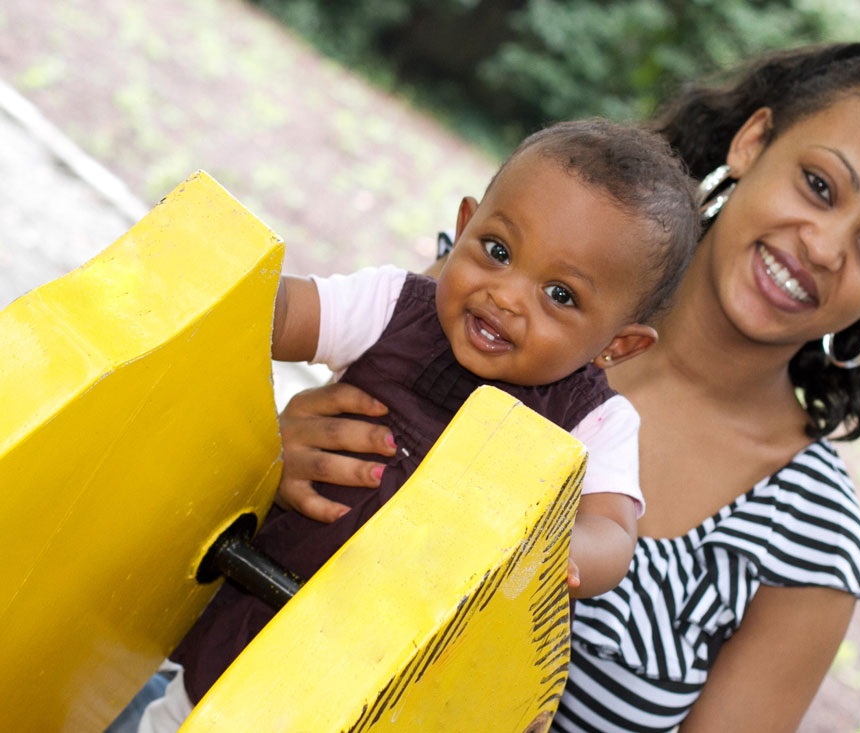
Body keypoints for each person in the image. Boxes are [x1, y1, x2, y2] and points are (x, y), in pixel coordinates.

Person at [270, 42, 860, 732]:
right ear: (753, 142)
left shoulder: (812, 544)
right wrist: (270, 454)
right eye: (820, 185)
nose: (825, 247)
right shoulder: (488, 298)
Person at [127, 118, 699, 729]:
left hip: (395, 690)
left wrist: (556, 548)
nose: (506, 296)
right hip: (257, 619)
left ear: (619, 345)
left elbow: (613, 531)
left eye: (560, 295)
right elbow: (287, 311)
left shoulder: (596, 421)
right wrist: (215, 285)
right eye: (498, 252)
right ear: (463, 227)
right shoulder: (393, 307)